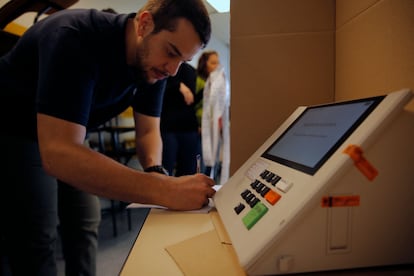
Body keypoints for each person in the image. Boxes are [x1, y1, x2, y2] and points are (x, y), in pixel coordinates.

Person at [0, 0, 215, 275]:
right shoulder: (76, 35)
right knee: (38, 235)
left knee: (85, 220)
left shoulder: (154, 65)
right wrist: (166, 190)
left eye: (182, 61)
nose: (172, 71)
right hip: (15, 128)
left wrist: (156, 174)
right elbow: (58, 154)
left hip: (69, 133)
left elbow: (148, 131)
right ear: (145, 24)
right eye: (171, 52)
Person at [160, 62, 200, 176]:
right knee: (165, 170)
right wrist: (177, 85)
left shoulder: (191, 71)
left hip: (189, 127)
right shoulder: (164, 66)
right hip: (168, 127)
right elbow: (156, 92)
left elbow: (191, 101)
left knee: (189, 172)